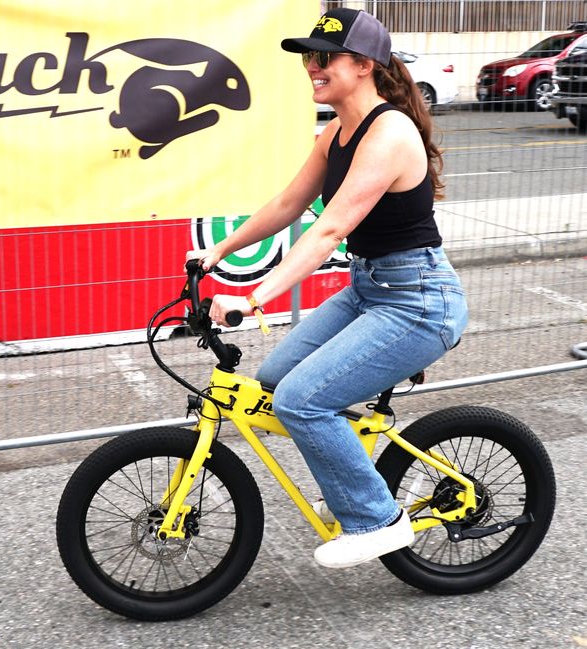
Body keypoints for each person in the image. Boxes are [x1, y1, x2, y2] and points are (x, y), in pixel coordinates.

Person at [186, 8, 469, 569]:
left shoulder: (389, 133)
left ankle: (376, 519)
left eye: (324, 56)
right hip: (371, 289)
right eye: (308, 57)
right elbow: (289, 205)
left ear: (363, 65)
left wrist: (254, 296)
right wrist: (218, 251)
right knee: (274, 380)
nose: (312, 66)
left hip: (417, 301)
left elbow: (330, 228)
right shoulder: (335, 131)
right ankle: (354, 476)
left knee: (302, 400)